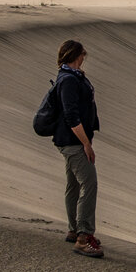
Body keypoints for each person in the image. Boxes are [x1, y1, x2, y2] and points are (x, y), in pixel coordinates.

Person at [53, 39, 104, 258]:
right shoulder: (68, 81)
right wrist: (85, 143)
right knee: (89, 183)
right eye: (83, 54)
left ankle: (74, 230)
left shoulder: (73, 77)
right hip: (73, 142)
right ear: (76, 55)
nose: (84, 57)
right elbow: (71, 116)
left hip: (73, 141)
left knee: (73, 185)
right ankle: (84, 238)